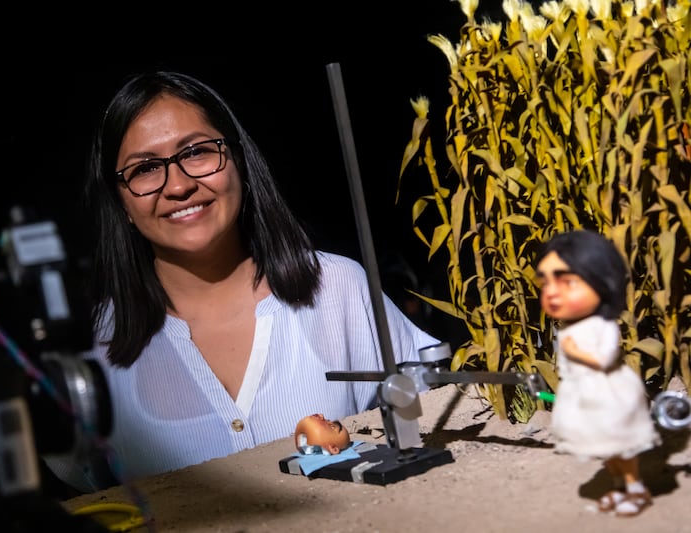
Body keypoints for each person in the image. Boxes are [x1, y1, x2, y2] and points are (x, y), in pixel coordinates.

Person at [46, 70, 441, 492]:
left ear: (239, 161)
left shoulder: (337, 289)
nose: (178, 184)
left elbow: (430, 424)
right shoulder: (92, 349)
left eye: (196, 151)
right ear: (121, 201)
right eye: (144, 169)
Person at [535, 230, 661, 517]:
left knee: (620, 445)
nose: (552, 291)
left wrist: (574, 350)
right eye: (546, 282)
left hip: (608, 392)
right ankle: (618, 486)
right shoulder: (569, 327)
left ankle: (635, 488)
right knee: (604, 447)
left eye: (567, 281)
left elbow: (604, 359)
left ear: (602, 281)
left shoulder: (602, 326)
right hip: (584, 393)